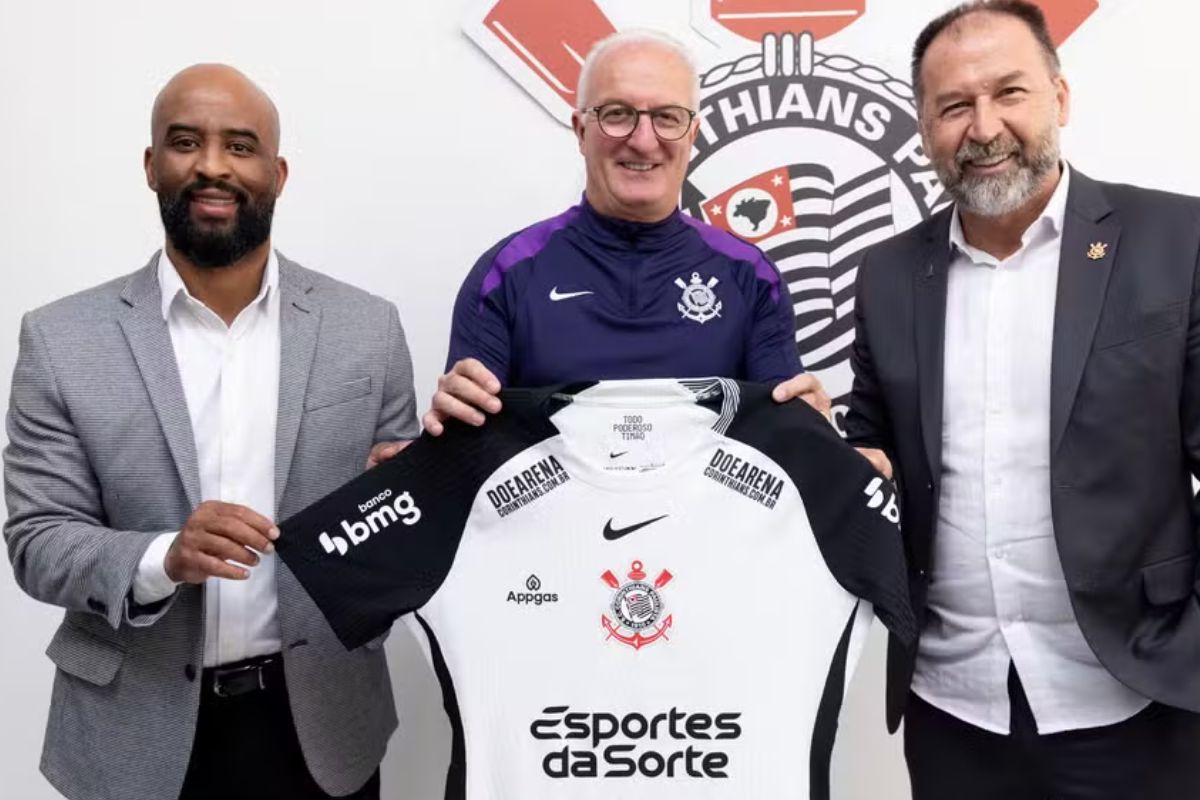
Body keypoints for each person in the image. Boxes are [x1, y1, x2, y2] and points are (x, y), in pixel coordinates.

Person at [3, 64, 417, 800]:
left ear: (277, 174)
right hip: (131, 734)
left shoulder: (368, 329)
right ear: (151, 165)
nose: (213, 166)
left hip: (325, 724)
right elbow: (38, 540)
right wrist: (164, 558)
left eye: (241, 146)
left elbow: (394, 524)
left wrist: (414, 492)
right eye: (186, 142)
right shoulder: (61, 340)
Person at [845, 3, 1200, 798]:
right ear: (924, 128)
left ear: (1060, 98)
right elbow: (873, 449)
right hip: (953, 708)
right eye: (953, 106)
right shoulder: (888, 275)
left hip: (1142, 697)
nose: (984, 128)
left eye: (1009, 92)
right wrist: (807, 446)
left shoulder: (1177, 241)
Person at [425, 29, 828, 434]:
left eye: (667, 117)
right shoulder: (507, 273)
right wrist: (444, 434)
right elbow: (467, 442)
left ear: (692, 134)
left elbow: (786, 440)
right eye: (617, 113)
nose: (643, 141)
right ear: (581, 131)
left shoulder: (749, 275)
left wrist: (814, 433)